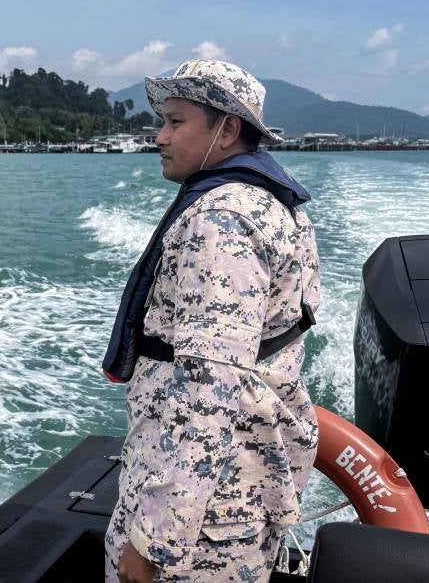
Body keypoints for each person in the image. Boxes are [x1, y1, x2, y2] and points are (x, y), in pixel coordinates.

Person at [101, 60, 320, 583]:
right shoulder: (277, 202)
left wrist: (155, 539)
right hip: (242, 489)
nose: (159, 136)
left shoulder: (220, 220)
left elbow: (210, 383)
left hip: (203, 520)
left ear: (227, 129)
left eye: (176, 122)